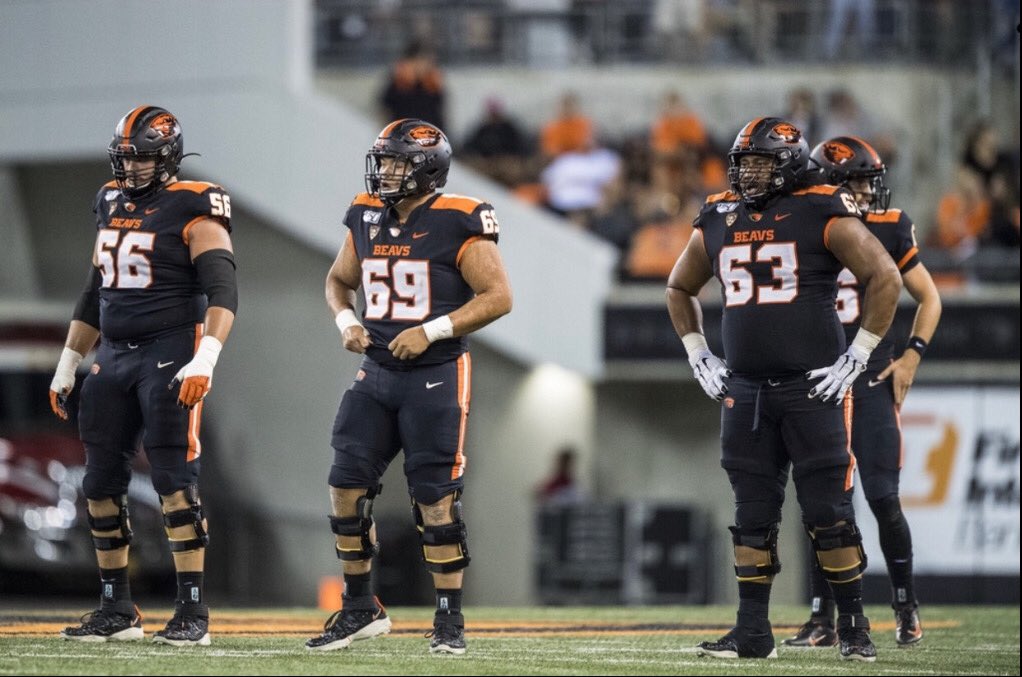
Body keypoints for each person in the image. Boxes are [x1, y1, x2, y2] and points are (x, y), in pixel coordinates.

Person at [666, 117, 901, 662]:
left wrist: (858, 353)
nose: (748, 174)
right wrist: (697, 350)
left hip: (811, 388)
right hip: (745, 390)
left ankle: (856, 628)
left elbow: (884, 276)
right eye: (742, 163)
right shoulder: (720, 213)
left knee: (829, 514)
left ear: (790, 162)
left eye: (760, 163)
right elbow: (680, 286)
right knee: (751, 515)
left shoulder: (821, 206)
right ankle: (753, 632)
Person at [308, 118, 512, 656]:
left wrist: (433, 329)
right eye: (384, 161)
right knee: (344, 486)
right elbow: (337, 280)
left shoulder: (457, 219)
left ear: (427, 169)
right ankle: (359, 608)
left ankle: (449, 620)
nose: (386, 172)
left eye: (397, 162)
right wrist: (345, 322)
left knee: (435, 500)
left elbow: (497, 296)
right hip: (375, 372)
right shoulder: (366, 216)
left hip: (437, 372)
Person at [49, 106, 238, 646]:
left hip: (170, 352)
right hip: (113, 355)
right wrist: (69, 363)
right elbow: (95, 291)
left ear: (169, 157)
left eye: (143, 158)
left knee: (175, 482)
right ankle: (116, 606)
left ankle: (192, 612)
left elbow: (223, 292)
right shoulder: (109, 200)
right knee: (99, 485)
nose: (131, 168)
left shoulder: (196, 206)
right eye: (126, 157)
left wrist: (205, 357)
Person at [782, 136, 942, 649]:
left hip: (870, 379)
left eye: (867, 181)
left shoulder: (889, 227)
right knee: (823, 501)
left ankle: (905, 605)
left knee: (883, 498)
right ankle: (822, 617)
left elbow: (929, 298)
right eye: (854, 182)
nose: (865, 191)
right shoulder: (807, 221)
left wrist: (912, 355)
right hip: (824, 382)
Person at [379, 40, 447, 131]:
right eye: (422, 59)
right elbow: (386, 107)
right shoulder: (399, 82)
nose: (426, 65)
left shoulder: (433, 83)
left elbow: (439, 111)